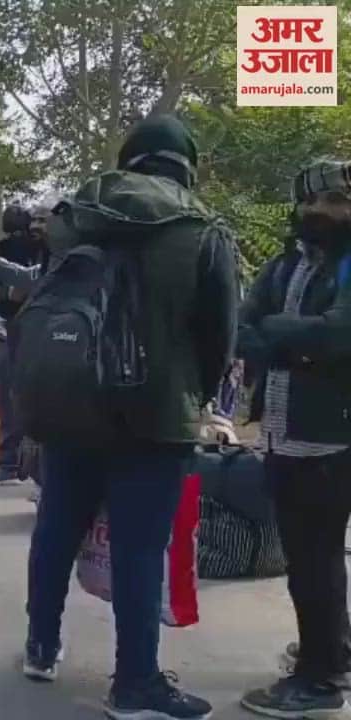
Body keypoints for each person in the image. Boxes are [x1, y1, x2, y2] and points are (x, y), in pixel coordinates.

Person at [22, 115, 237, 720]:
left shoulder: (79, 217)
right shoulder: (202, 230)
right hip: (156, 413)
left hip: (72, 403)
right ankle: (134, 683)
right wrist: (201, 395)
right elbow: (220, 335)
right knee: (140, 548)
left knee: (57, 528)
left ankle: (41, 647)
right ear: (185, 165)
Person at [236, 159, 351, 719]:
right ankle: (333, 651)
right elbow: (243, 323)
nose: (319, 213)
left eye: (333, 203)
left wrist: (278, 337)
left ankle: (319, 680)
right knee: (309, 555)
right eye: (310, 203)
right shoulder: (288, 262)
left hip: (333, 434)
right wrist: (288, 343)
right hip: (284, 428)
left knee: (314, 557)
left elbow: (338, 334)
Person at [0, 204, 49, 487]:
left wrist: (9, 287)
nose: (36, 228)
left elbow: (14, 287)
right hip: (32, 328)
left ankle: (11, 464)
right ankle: (24, 467)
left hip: (17, 329)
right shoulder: (45, 249)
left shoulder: (3, 250)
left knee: (10, 396)